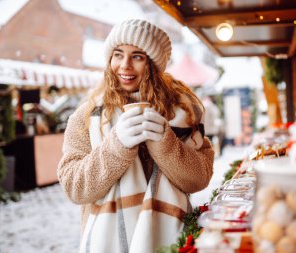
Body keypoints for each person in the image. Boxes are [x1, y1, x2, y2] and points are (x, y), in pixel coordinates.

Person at [57, 19, 214, 253]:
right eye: (118, 55)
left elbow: (198, 179)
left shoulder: (183, 111)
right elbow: (74, 187)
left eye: (137, 56)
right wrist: (116, 146)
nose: (125, 65)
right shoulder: (87, 116)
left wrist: (165, 143)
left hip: (172, 241)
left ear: (152, 64)